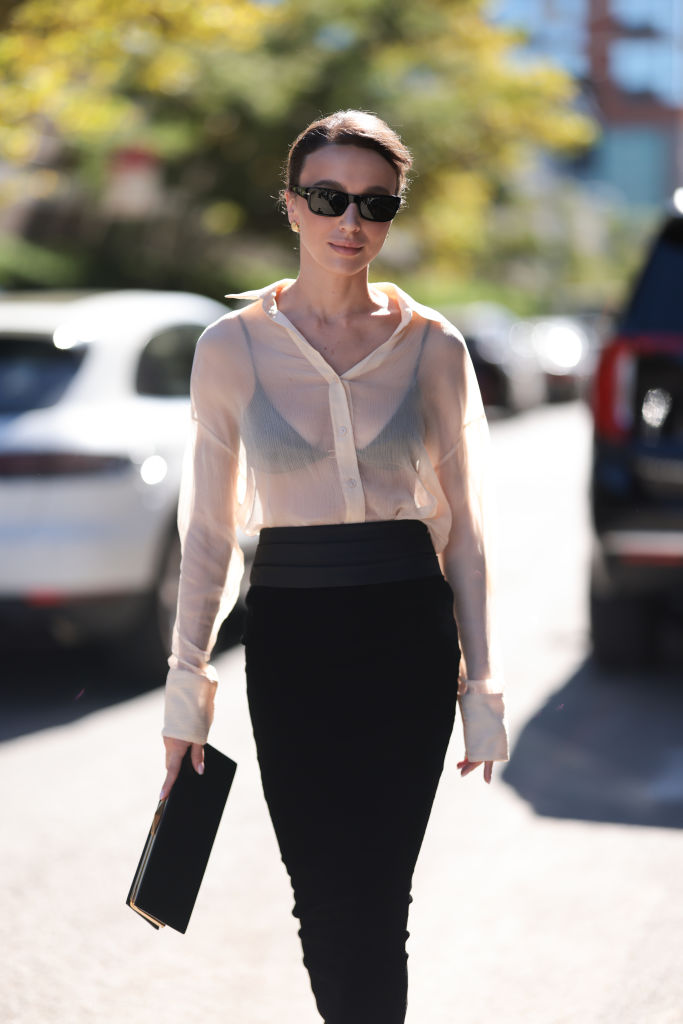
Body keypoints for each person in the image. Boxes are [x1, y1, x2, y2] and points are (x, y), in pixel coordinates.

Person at [159, 109, 509, 1024]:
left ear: (392, 214)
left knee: (376, 900)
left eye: (374, 203)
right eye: (328, 198)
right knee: (321, 897)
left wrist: (482, 687)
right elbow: (208, 532)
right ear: (291, 206)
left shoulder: (434, 347)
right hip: (291, 639)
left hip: (406, 637)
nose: (351, 222)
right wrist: (186, 690)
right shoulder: (229, 349)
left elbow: (465, 530)